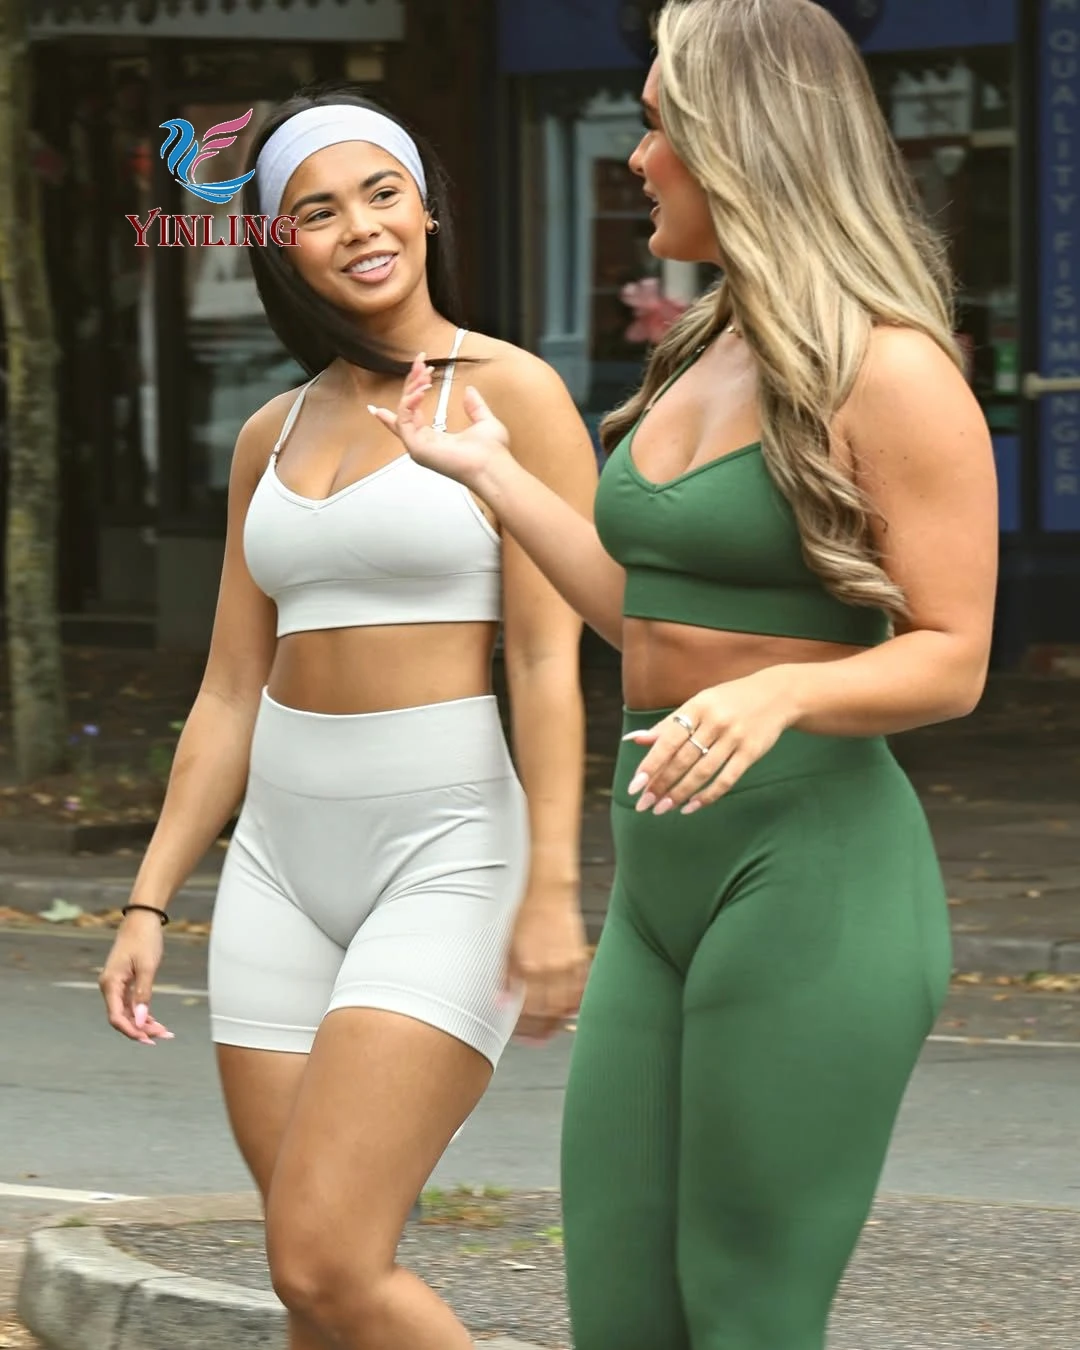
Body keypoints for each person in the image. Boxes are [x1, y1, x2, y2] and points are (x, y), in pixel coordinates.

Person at [372, 1, 999, 1346]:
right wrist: (494, 479)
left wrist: (784, 692)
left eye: (659, 126)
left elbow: (954, 659)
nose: (637, 157)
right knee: (619, 1307)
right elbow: (643, 620)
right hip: (658, 880)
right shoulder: (700, 348)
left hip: (814, 874)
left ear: (743, 140)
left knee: (745, 1310)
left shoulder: (891, 369)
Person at [97, 86, 597, 1350]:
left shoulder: (515, 393)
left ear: (427, 212)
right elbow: (229, 687)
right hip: (277, 861)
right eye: (318, 210)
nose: (360, 227)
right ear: (283, 246)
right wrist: (149, 900)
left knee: (326, 1257)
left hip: (447, 848)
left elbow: (549, 663)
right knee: (313, 1285)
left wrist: (552, 885)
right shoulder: (268, 433)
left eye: (382, 194)